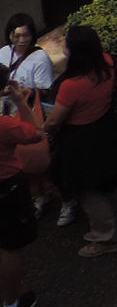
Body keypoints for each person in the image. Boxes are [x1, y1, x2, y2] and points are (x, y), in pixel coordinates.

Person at [44, 25, 117, 256]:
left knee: (89, 191)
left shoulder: (71, 86)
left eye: (66, 42)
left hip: (81, 141)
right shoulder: (107, 63)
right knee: (109, 184)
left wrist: (44, 127)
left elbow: (54, 121)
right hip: (106, 131)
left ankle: (105, 239)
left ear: (75, 51)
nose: (62, 44)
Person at [0, 19, 53, 221]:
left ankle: (45, 192)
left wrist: (22, 95)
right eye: (16, 35)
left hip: (28, 111)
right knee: (26, 155)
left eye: (26, 35)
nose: (21, 40)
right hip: (11, 113)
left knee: (35, 154)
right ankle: (38, 194)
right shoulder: (4, 53)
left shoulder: (39, 58)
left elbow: (44, 89)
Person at [0, 72, 43, 307]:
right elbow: (37, 133)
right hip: (7, 187)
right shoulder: (5, 126)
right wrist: (19, 101)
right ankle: (11, 301)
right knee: (10, 247)